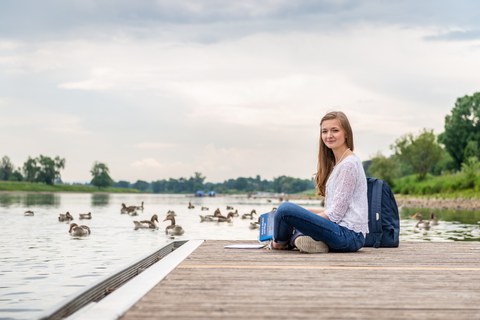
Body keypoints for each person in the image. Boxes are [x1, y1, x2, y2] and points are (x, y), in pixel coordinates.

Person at [271, 111, 368, 253]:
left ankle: (279, 243)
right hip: (339, 231)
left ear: (346, 133)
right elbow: (332, 210)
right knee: (288, 213)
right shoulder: (339, 164)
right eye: (324, 131)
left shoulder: (348, 165)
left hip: (349, 236)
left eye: (335, 130)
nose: (329, 135)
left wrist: (300, 220)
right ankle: (312, 243)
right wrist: (304, 214)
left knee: (285, 210)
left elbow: (335, 214)